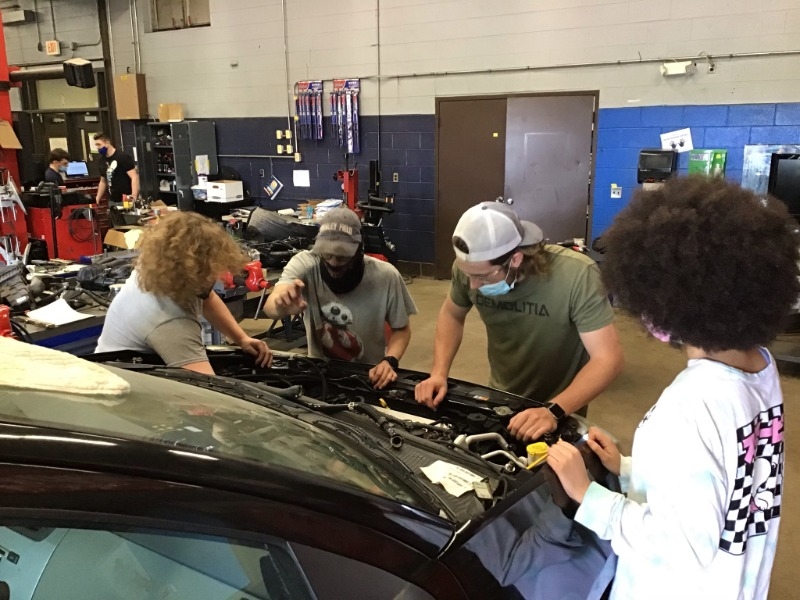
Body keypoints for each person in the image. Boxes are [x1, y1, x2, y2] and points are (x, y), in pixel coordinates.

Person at [547, 177, 798, 600]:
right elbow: (730, 481)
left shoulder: (690, 407)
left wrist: (587, 494)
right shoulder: (761, 369)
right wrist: (629, 469)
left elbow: (679, 547)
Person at [415, 201, 623, 440]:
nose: (473, 285)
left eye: (482, 277)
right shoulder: (470, 269)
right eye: (468, 275)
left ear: (514, 259)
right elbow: (452, 314)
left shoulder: (576, 275)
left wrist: (554, 410)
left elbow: (608, 358)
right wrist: (439, 373)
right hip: (500, 397)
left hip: (561, 405)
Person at [96, 211, 272, 374]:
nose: (218, 275)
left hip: (118, 369)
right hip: (124, 388)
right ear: (194, 269)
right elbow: (205, 394)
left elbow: (207, 298)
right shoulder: (170, 320)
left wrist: (241, 338)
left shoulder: (157, 267)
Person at [263, 206, 417, 389]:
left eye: (343, 257)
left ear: (359, 250)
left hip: (369, 376)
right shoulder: (305, 263)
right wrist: (281, 305)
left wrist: (389, 361)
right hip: (320, 374)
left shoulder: (386, 276)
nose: (334, 263)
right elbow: (270, 308)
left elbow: (402, 330)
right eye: (327, 254)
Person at [93, 133, 138, 205]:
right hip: (112, 200)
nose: (97, 147)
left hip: (126, 199)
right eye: (96, 145)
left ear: (107, 143)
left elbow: (134, 177)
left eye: (99, 144)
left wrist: (134, 195)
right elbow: (103, 181)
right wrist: (98, 197)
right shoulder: (101, 161)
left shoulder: (123, 157)